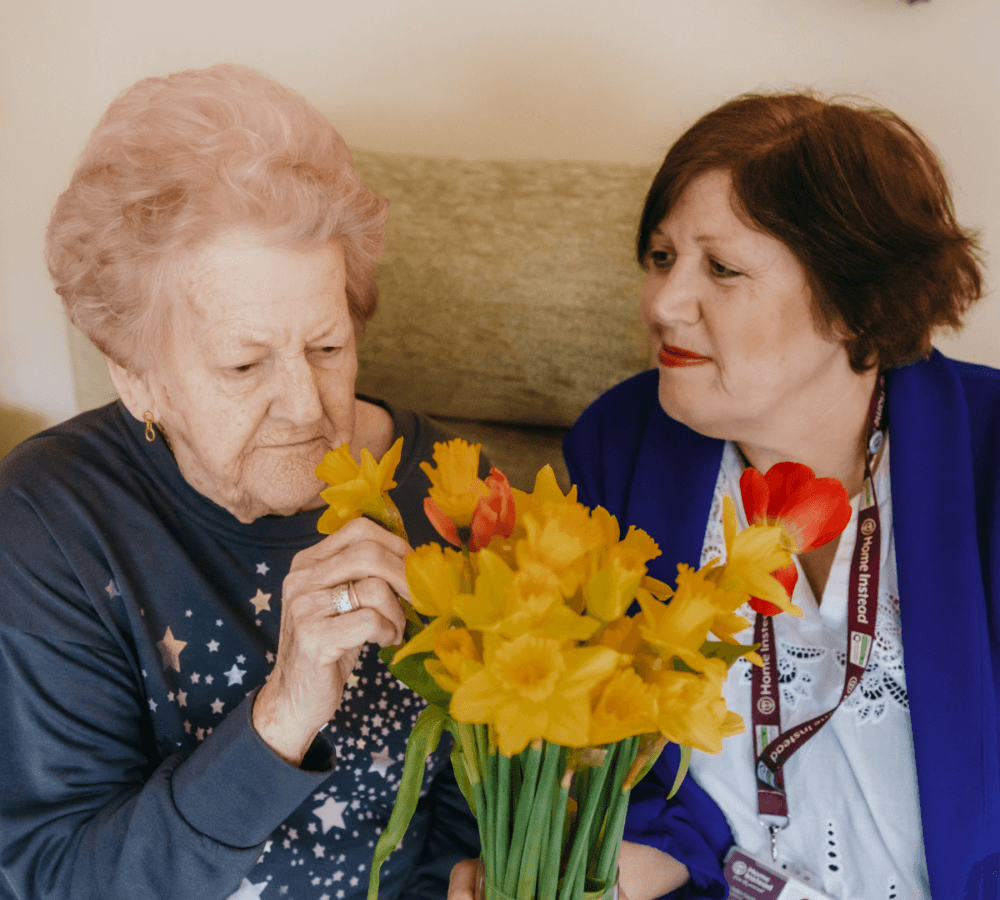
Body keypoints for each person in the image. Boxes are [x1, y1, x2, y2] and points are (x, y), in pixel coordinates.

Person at [0, 64, 479, 900]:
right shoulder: (50, 527)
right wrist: (283, 715)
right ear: (136, 378)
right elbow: (60, 878)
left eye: (327, 348)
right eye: (243, 362)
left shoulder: (451, 493)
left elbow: (474, 815)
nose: (305, 405)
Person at [560, 94, 999, 899]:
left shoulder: (991, 454)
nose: (662, 303)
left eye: (721, 269)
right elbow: (624, 769)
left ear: (855, 299)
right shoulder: (616, 444)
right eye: (661, 258)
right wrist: (604, 867)